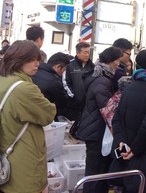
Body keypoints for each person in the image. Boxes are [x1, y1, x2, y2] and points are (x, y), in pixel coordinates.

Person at [109, 48, 146, 193]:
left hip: (127, 151)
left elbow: (117, 119)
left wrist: (121, 142)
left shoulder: (131, 85)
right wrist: (135, 149)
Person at [0, 40, 56, 193]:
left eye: (38, 59)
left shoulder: (4, 80)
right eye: (31, 59)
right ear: (18, 59)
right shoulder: (24, 88)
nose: (37, 63)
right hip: (23, 158)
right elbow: (48, 114)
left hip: (5, 150)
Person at [76, 46, 123, 193]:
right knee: (95, 173)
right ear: (110, 60)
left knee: (96, 172)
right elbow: (107, 109)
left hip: (93, 129)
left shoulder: (97, 75)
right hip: (95, 132)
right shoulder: (103, 80)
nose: (118, 64)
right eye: (117, 61)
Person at [32, 52, 70, 120]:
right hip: (45, 117)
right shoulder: (54, 81)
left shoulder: (34, 71)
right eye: (64, 70)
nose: (63, 73)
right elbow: (62, 102)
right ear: (58, 67)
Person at [64, 41, 95, 121]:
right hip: (73, 105)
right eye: (85, 52)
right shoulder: (69, 65)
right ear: (78, 53)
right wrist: (73, 96)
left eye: (88, 52)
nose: (87, 55)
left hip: (87, 104)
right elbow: (65, 82)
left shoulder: (93, 67)